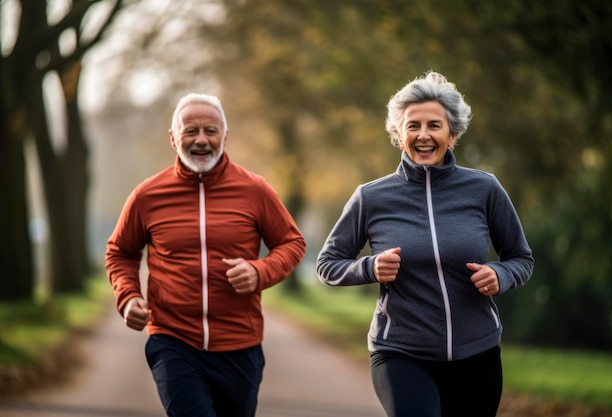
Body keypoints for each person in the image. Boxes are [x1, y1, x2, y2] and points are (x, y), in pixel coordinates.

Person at [316, 71, 533, 417]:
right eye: (412, 126)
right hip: (401, 351)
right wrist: (369, 267)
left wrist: (500, 275)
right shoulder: (372, 197)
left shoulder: (484, 189)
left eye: (434, 125)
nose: (423, 135)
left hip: (477, 352)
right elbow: (328, 263)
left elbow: (521, 257)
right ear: (399, 136)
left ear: (453, 134)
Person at [105, 93, 306, 417]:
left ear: (224, 137)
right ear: (173, 138)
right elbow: (121, 251)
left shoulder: (255, 190)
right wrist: (128, 297)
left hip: (240, 344)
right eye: (190, 131)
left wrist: (259, 271)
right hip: (173, 340)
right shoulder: (147, 195)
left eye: (210, 131)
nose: (201, 140)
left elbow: (292, 243)